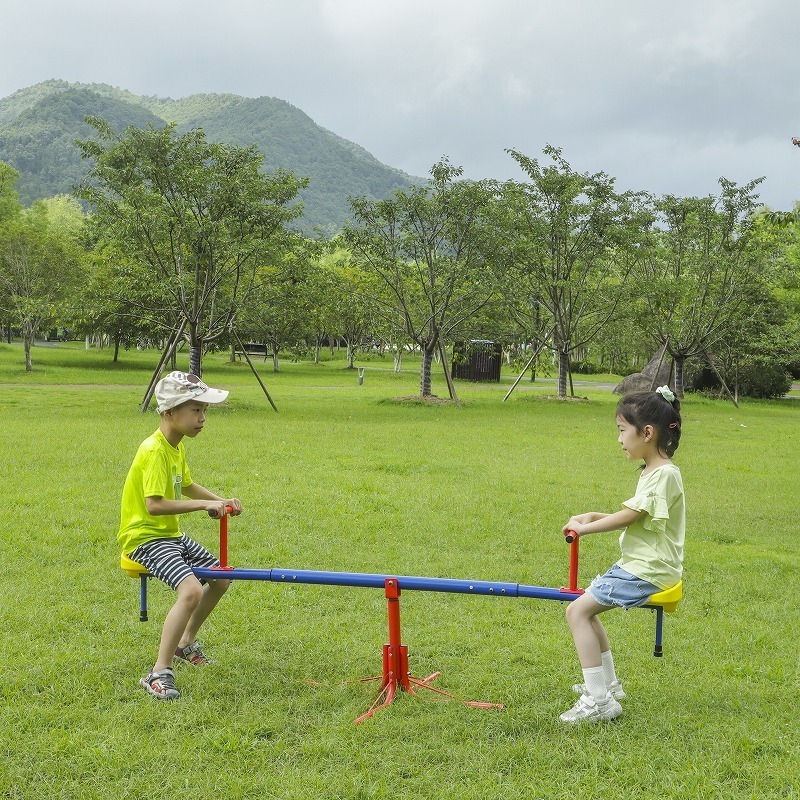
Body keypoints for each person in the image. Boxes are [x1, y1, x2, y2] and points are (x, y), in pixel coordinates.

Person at [559, 385, 684, 724]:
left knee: (577, 612)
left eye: (621, 430)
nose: (619, 440)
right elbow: (633, 512)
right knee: (586, 607)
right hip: (641, 564)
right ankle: (609, 686)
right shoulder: (652, 472)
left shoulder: (664, 475)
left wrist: (585, 528)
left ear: (647, 432)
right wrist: (591, 516)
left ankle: (599, 701)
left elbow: (631, 517)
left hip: (649, 569)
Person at [118, 371, 242, 700]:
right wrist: (204, 505)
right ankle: (158, 672)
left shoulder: (175, 446)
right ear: (169, 413)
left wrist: (220, 500)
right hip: (145, 537)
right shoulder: (154, 451)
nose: (203, 418)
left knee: (221, 578)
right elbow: (154, 505)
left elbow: (186, 485)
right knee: (190, 592)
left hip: (169, 535)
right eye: (195, 410)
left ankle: (185, 643)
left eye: (204, 411)